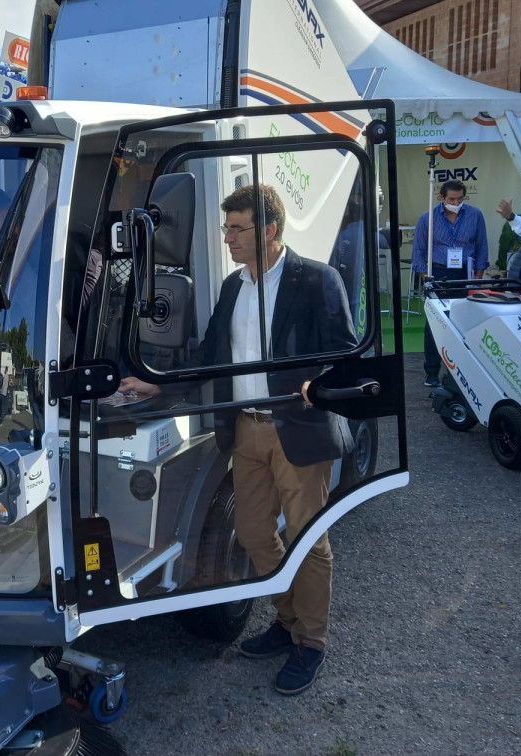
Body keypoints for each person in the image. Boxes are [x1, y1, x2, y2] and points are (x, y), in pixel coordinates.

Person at [120, 184, 356, 697]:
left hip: (299, 427)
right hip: (244, 430)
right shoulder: (233, 286)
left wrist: (320, 386)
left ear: (270, 230)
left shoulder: (317, 280)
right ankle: (288, 619)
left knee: (307, 538)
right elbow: (210, 354)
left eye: (237, 228)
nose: (227, 238)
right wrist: (156, 381)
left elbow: (345, 355)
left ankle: (311, 643)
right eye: (227, 228)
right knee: (251, 533)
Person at [412, 180, 489, 387]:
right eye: (452, 199)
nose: (456, 202)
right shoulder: (427, 218)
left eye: (460, 199)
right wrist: (424, 276)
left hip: (465, 272)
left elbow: (482, 246)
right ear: (442, 198)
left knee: (463, 321)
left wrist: (477, 277)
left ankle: (462, 372)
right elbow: (418, 251)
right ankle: (431, 372)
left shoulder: (475, 215)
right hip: (437, 273)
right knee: (435, 323)